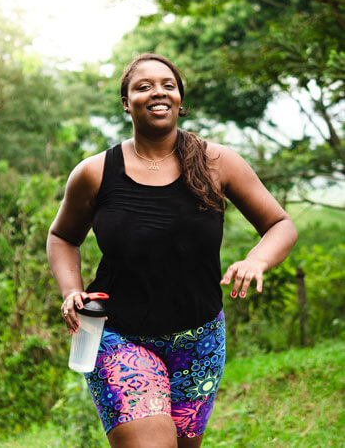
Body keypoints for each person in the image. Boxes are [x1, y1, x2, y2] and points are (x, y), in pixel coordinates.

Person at [46, 53, 297, 448]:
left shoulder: (218, 163)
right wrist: (70, 290)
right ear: (127, 103)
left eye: (168, 84)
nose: (158, 92)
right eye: (143, 86)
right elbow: (62, 236)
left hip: (200, 340)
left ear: (180, 98)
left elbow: (280, 224)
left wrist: (256, 259)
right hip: (117, 335)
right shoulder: (95, 172)